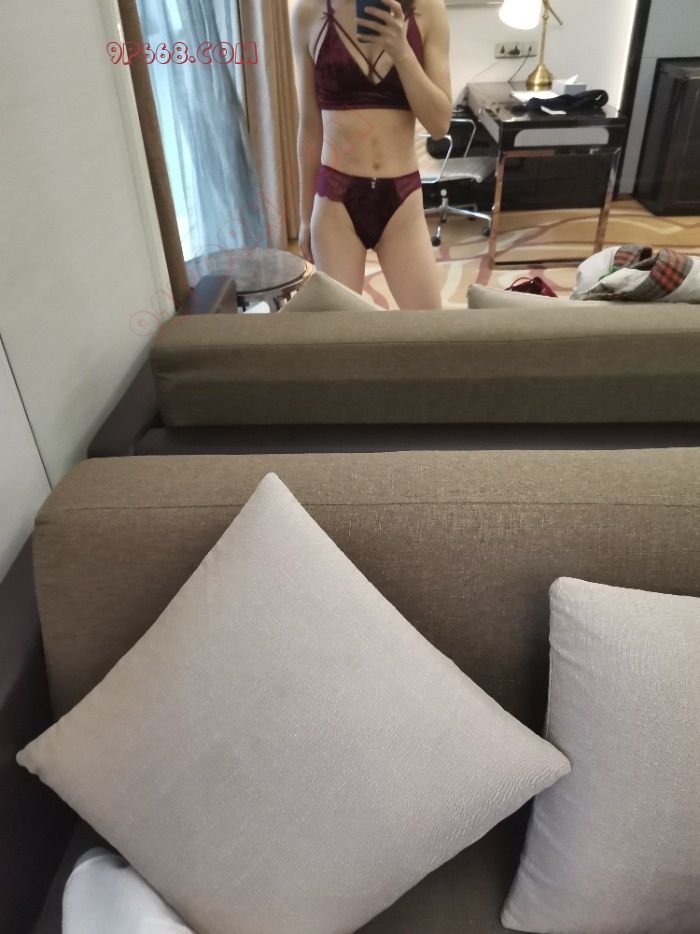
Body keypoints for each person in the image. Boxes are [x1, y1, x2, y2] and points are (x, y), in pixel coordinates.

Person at [291, 0, 452, 308]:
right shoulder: (308, 11)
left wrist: (402, 52)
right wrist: (304, 218)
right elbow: (310, 127)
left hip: (402, 201)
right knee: (343, 330)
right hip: (336, 200)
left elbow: (439, 125)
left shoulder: (428, 9)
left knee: (429, 325)